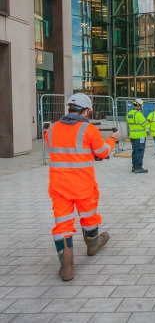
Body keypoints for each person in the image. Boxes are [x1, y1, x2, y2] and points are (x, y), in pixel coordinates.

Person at [45, 93, 120, 281]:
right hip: (83, 185)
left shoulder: (51, 129)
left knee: (62, 224)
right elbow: (102, 153)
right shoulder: (88, 129)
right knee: (89, 217)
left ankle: (67, 268)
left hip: (59, 186)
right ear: (86, 111)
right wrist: (113, 139)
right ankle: (93, 245)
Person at [126, 99, 149, 173]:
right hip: (140, 136)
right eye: (141, 106)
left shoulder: (129, 113)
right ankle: (138, 168)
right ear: (139, 105)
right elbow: (143, 124)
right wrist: (148, 120)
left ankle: (134, 167)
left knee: (135, 152)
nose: (141, 107)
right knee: (140, 152)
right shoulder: (138, 114)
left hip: (133, 136)